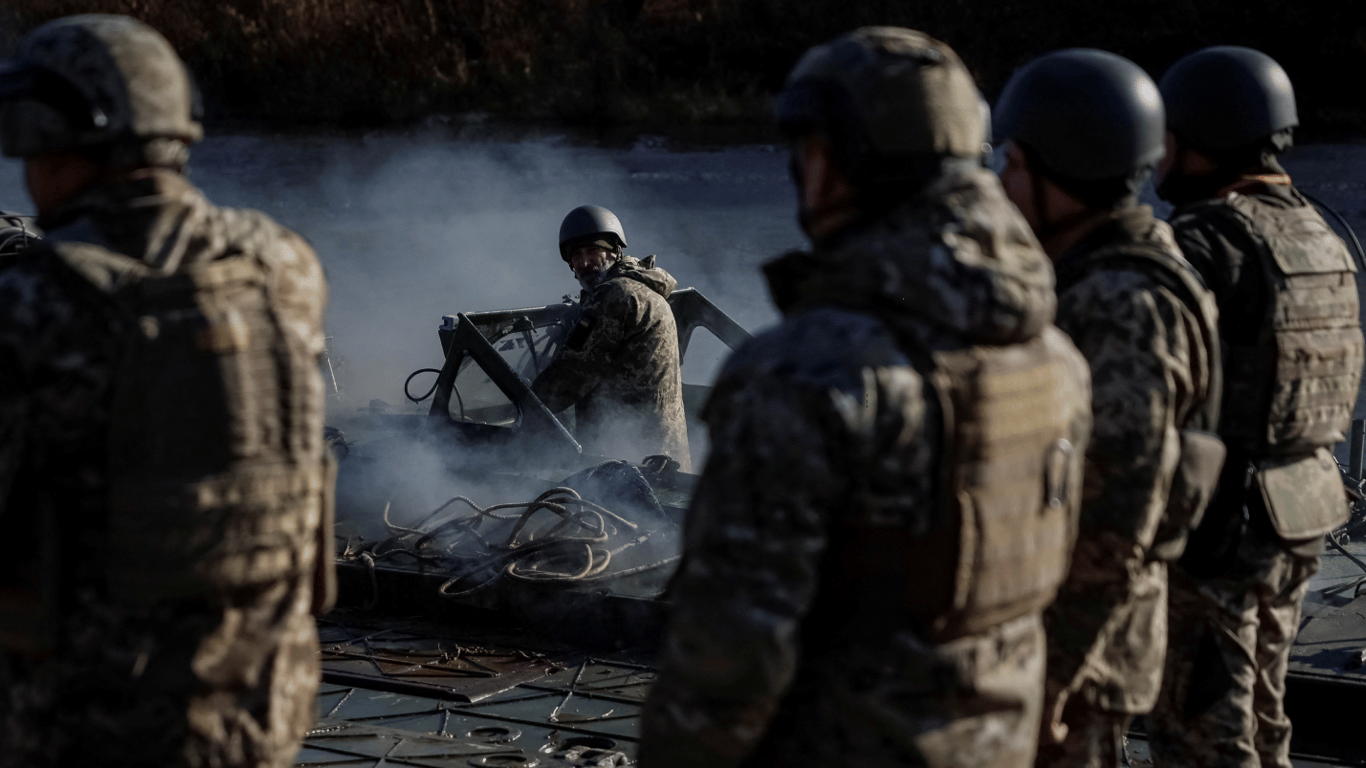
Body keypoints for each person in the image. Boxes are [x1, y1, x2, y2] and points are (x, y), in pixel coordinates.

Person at [639, 27, 1092, 768]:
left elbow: (725, 668)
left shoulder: (808, 374)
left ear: (833, 166)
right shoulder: (1052, 355)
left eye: (808, 152)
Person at [0, 15, 334, 768]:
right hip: (257, 716)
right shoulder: (286, 267)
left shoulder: (30, 306)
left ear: (58, 139)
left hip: (82, 728)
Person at [994, 49, 1224, 767]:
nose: (1001, 185)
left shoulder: (1123, 303)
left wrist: (1054, 678)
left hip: (1078, 651)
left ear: (1060, 175)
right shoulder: (1111, 272)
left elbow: (1118, 521)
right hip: (1077, 635)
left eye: (1014, 166)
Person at [1145, 46, 1362, 768]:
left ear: (1203, 137)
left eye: (1168, 139)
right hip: (1304, 509)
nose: (1157, 159)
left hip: (1225, 532)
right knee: (1266, 718)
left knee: (1204, 735)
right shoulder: (1318, 234)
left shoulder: (1208, 242)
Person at [531, 205, 691, 470]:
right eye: (576, 255)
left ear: (615, 251)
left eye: (593, 251)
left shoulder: (614, 295)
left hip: (633, 463)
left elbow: (573, 375)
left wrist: (526, 408)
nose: (584, 262)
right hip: (662, 455)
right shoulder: (645, 289)